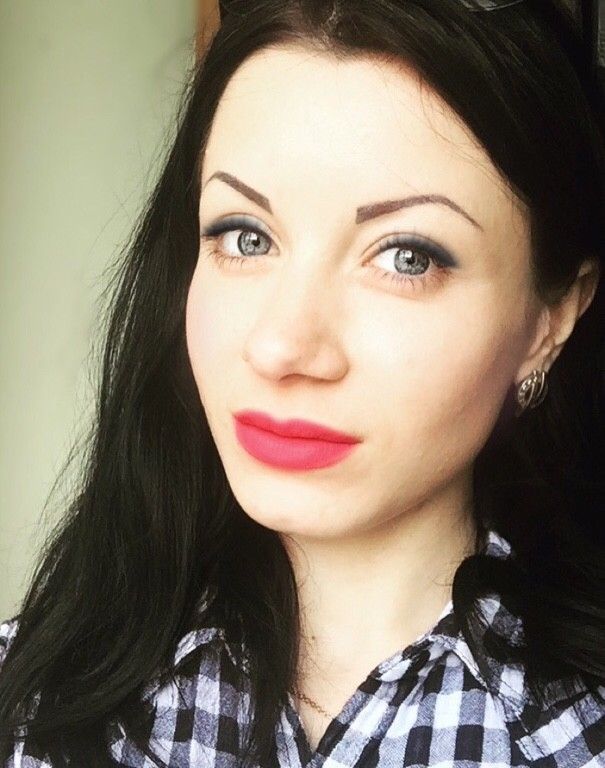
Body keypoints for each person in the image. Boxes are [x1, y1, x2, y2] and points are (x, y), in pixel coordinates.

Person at [1, 0, 604, 765]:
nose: (281, 345)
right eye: (245, 237)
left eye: (407, 256)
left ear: (552, 318)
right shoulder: (29, 698)